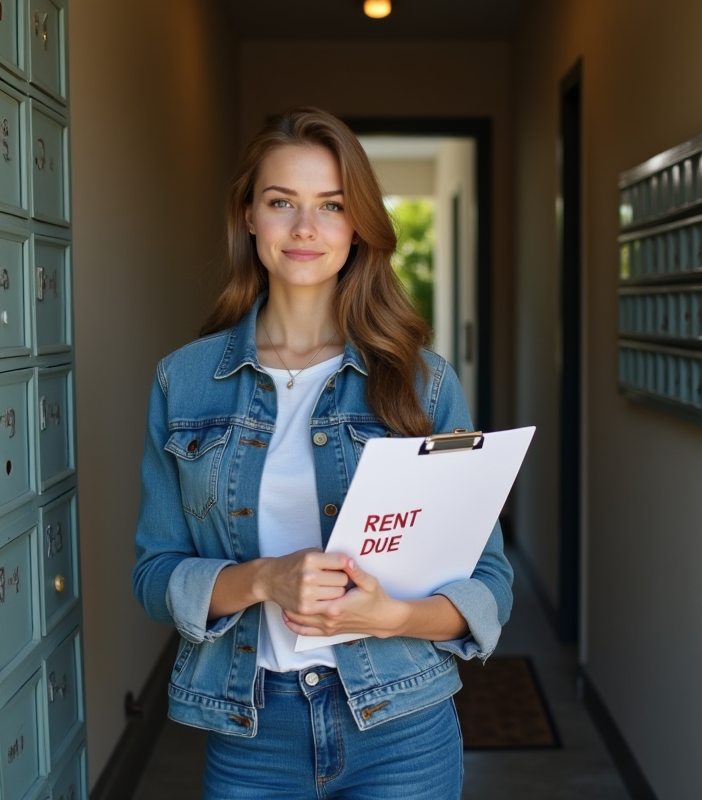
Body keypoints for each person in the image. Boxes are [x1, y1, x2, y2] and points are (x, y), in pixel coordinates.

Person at [131, 107, 513, 799]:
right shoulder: (182, 382)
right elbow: (155, 574)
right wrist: (261, 581)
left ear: (358, 224)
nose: (305, 229)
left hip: (402, 727)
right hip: (253, 734)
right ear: (249, 215)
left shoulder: (422, 381)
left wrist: (392, 616)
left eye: (331, 206)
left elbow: (489, 582)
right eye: (282, 203)